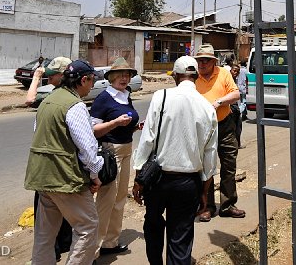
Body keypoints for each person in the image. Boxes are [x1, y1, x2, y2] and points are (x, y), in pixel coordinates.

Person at [132, 56, 217, 265]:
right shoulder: (207, 107)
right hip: (188, 183)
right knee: (180, 237)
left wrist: (138, 177)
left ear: (176, 77)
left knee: (152, 225)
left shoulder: (160, 97)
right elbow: (210, 155)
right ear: (196, 77)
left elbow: (147, 140)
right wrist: (204, 191)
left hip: (157, 180)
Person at [24, 60, 104, 265]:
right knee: (87, 227)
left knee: (45, 233)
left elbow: (39, 134)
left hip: (43, 177)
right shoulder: (75, 105)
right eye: (91, 81)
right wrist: (95, 175)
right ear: (84, 79)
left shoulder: (47, 101)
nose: (92, 86)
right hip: (67, 179)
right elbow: (88, 149)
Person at [90, 57, 139, 258]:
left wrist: (136, 126)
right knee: (105, 201)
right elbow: (92, 130)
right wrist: (115, 123)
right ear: (111, 78)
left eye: (127, 75)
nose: (124, 78)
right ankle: (90, 251)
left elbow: (126, 123)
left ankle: (110, 242)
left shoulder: (126, 95)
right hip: (110, 153)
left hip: (127, 149)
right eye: (120, 75)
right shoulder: (103, 98)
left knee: (119, 200)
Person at [193, 43, 245, 221]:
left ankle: (228, 205)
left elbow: (236, 94)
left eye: (206, 61)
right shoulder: (193, 77)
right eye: (200, 61)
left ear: (213, 62)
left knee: (229, 165)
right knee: (206, 168)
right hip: (203, 129)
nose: (202, 64)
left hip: (224, 124)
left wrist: (219, 102)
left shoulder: (223, 73)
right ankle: (207, 207)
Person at [229, 62, 247, 147]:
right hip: (229, 107)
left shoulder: (235, 80)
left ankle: (238, 143)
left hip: (236, 106)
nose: (235, 73)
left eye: (237, 71)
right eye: (234, 71)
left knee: (238, 126)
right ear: (231, 71)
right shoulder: (228, 80)